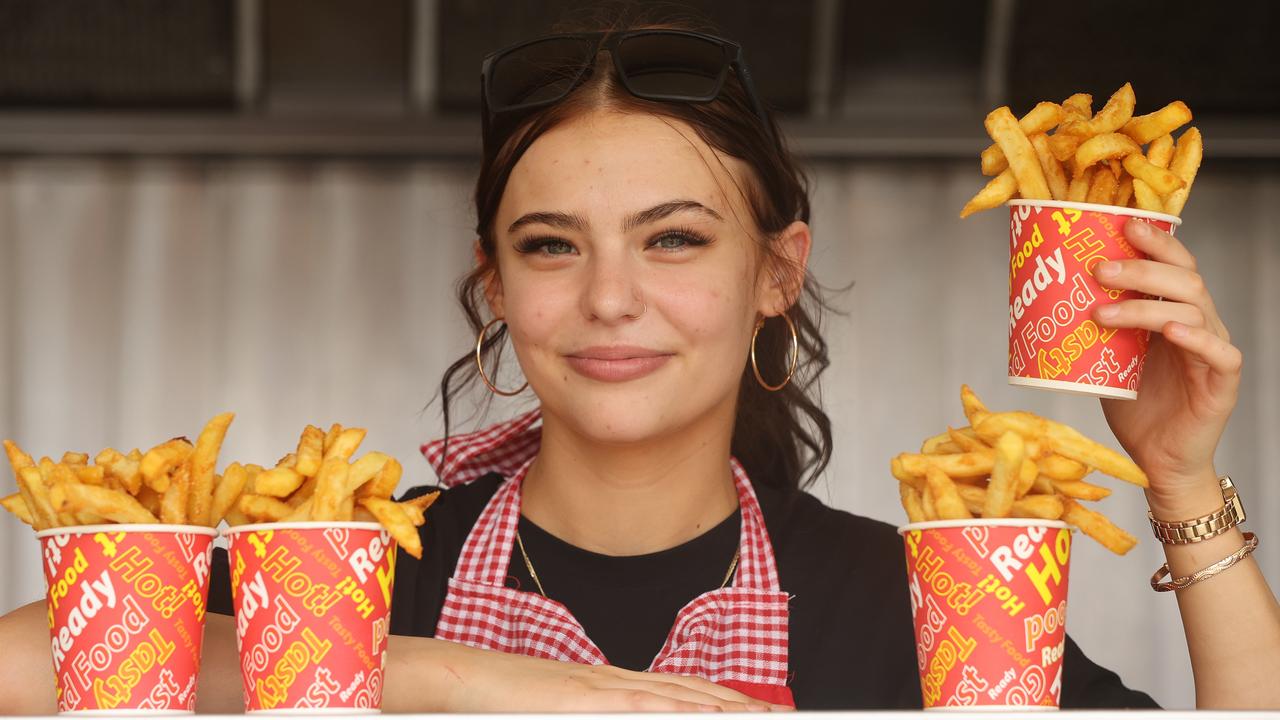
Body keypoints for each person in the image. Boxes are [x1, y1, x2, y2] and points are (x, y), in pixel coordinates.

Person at [3, 16, 1279, 713]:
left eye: (673, 239)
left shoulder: (907, 605)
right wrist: (463, 682)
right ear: (496, 287)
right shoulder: (340, 575)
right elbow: (20, 667)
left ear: (774, 273)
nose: (610, 299)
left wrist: (1177, 474)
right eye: (551, 246)